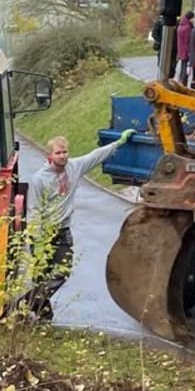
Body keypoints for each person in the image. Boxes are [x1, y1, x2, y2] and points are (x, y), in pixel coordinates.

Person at [19, 129, 130, 305]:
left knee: (62, 271)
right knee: (41, 276)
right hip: (43, 233)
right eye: (58, 153)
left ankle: (26, 305)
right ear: (49, 156)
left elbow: (95, 156)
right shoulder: (39, 179)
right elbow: (34, 209)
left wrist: (118, 143)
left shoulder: (74, 167)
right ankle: (38, 314)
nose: (63, 156)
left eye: (65, 152)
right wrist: (37, 239)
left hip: (62, 230)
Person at [173, 10, 195, 88]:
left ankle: (180, 82)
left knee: (183, 66)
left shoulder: (180, 26)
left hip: (181, 50)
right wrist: (189, 52)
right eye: (193, 18)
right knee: (185, 68)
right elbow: (187, 41)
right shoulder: (187, 27)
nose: (194, 20)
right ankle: (183, 83)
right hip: (186, 51)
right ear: (190, 18)